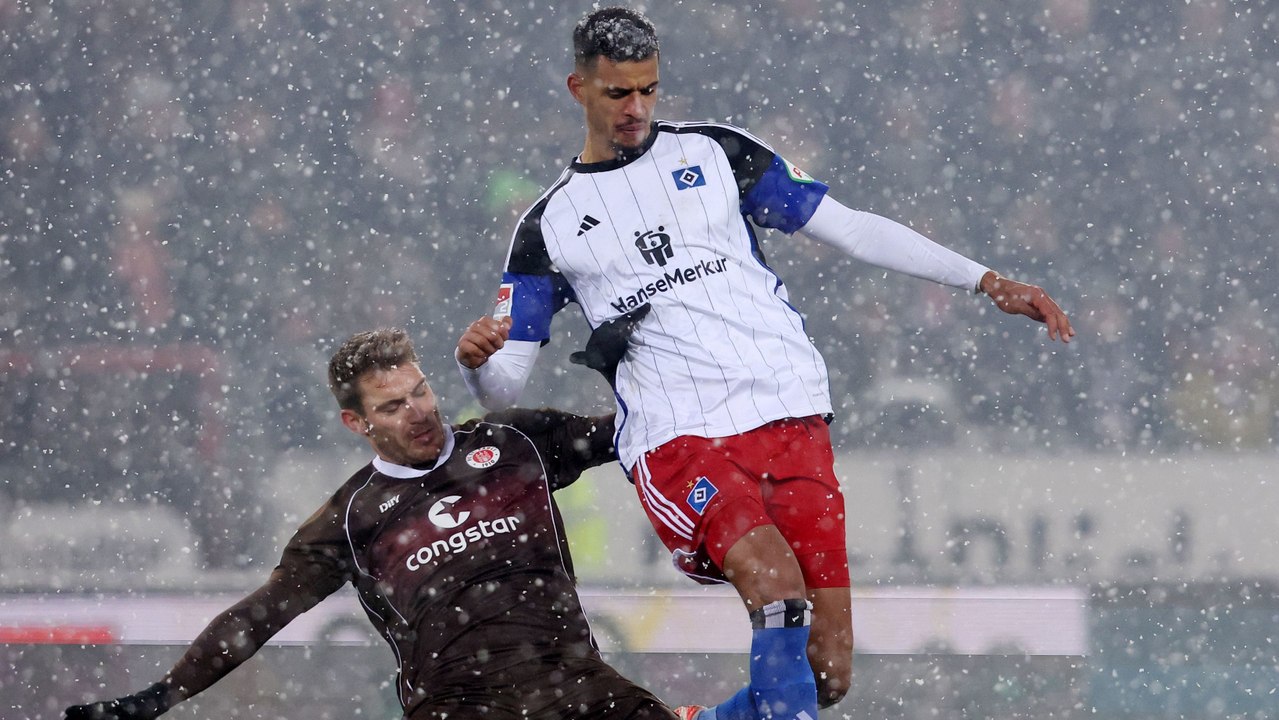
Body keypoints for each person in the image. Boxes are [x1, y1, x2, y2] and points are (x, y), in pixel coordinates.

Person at [455, 8, 1075, 720]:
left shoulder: (717, 153)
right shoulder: (548, 226)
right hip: (678, 434)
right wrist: (477, 362)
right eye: (617, 94)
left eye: (648, 91)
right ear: (578, 87)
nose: (636, 110)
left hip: (789, 413)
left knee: (827, 673)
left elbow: (847, 227)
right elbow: (505, 383)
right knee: (776, 592)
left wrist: (983, 279)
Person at [65, 328, 676, 720]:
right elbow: (257, 617)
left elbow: (640, 431)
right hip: (459, 706)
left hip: (577, 686)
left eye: (420, 392)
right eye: (391, 405)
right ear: (356, 423)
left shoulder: (513, 440)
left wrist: (628, 366)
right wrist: (157, 698)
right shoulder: (350, 518)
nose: (418, 413)